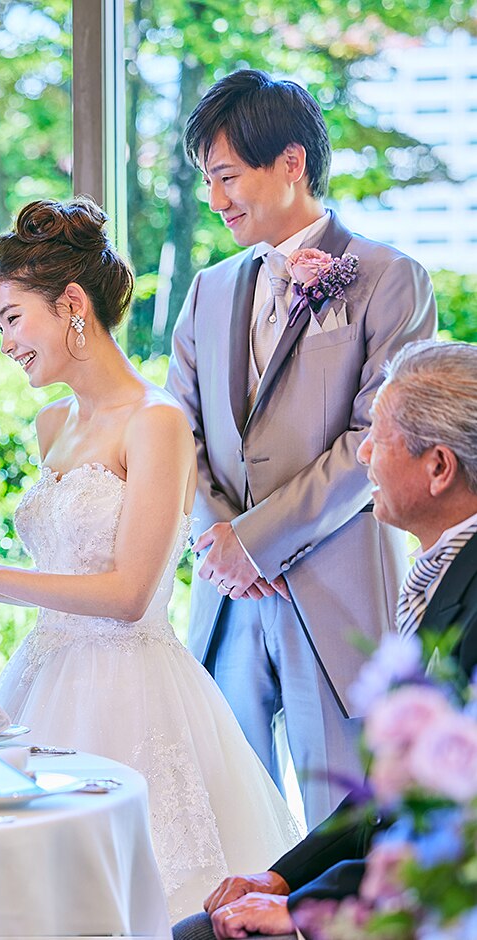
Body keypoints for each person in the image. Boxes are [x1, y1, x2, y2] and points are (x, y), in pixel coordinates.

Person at [0, 198, 301, 920]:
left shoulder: (157, 421)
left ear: (72, 305)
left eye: (12, 319)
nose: (5, 342)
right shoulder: (52, 424)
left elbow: (130, 594)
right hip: (43, 680)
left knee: (135, 899)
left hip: (132, 693)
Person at [164, 69, 437, 828]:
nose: (214, 200)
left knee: (340, 832)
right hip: (228, 600)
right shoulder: (208, 289)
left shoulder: (391, 279)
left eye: (226, 177)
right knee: (233, 829)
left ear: (291, 162)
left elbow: (377, 438)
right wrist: (221, 541)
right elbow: (178, 430)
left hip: (337, 595)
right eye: (208, 181)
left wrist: (257, 542)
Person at [172, 338, 477, 940]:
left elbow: (461, 830)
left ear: (439, 468)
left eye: (378, 438)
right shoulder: (443, 575)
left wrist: (306, 910)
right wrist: (281, 878)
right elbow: (388, 795)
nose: (361, 452)